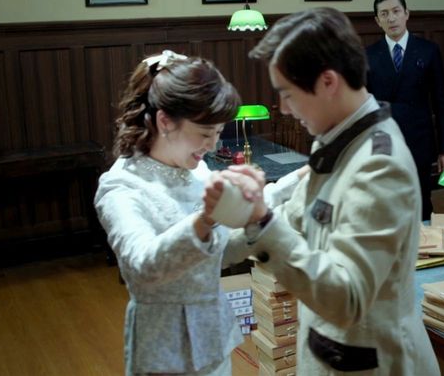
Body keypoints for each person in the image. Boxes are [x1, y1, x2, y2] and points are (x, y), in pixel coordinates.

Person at [206, 8, 440, 375]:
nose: (284, 109)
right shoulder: (335, 138)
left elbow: (347, 299)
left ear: (328, 82)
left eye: (287, 94)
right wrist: (210, 251)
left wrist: (261, 221)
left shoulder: (380, 166)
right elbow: (295, 216)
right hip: (328, 347)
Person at [94, 50, 306, 376]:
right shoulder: (122, 187)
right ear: (165, 121)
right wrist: (205, 218)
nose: (212, 145)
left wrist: (297, 181)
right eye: (206, 134)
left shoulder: (197, 170)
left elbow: (221, 247)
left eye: (219, 133)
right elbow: (142, 267)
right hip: (164, 350)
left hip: (213, 336)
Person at [366, 0, 444, 220]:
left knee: (421, 200)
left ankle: (425, 241)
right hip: (383, 140)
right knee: (385, 201)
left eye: (396, 11)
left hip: (419, 139)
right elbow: (362, 106)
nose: (391, 18)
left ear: (406, 14)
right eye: (384, 14)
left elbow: (441, 101)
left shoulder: (428, 50)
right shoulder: (368, 55)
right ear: (377, 21)